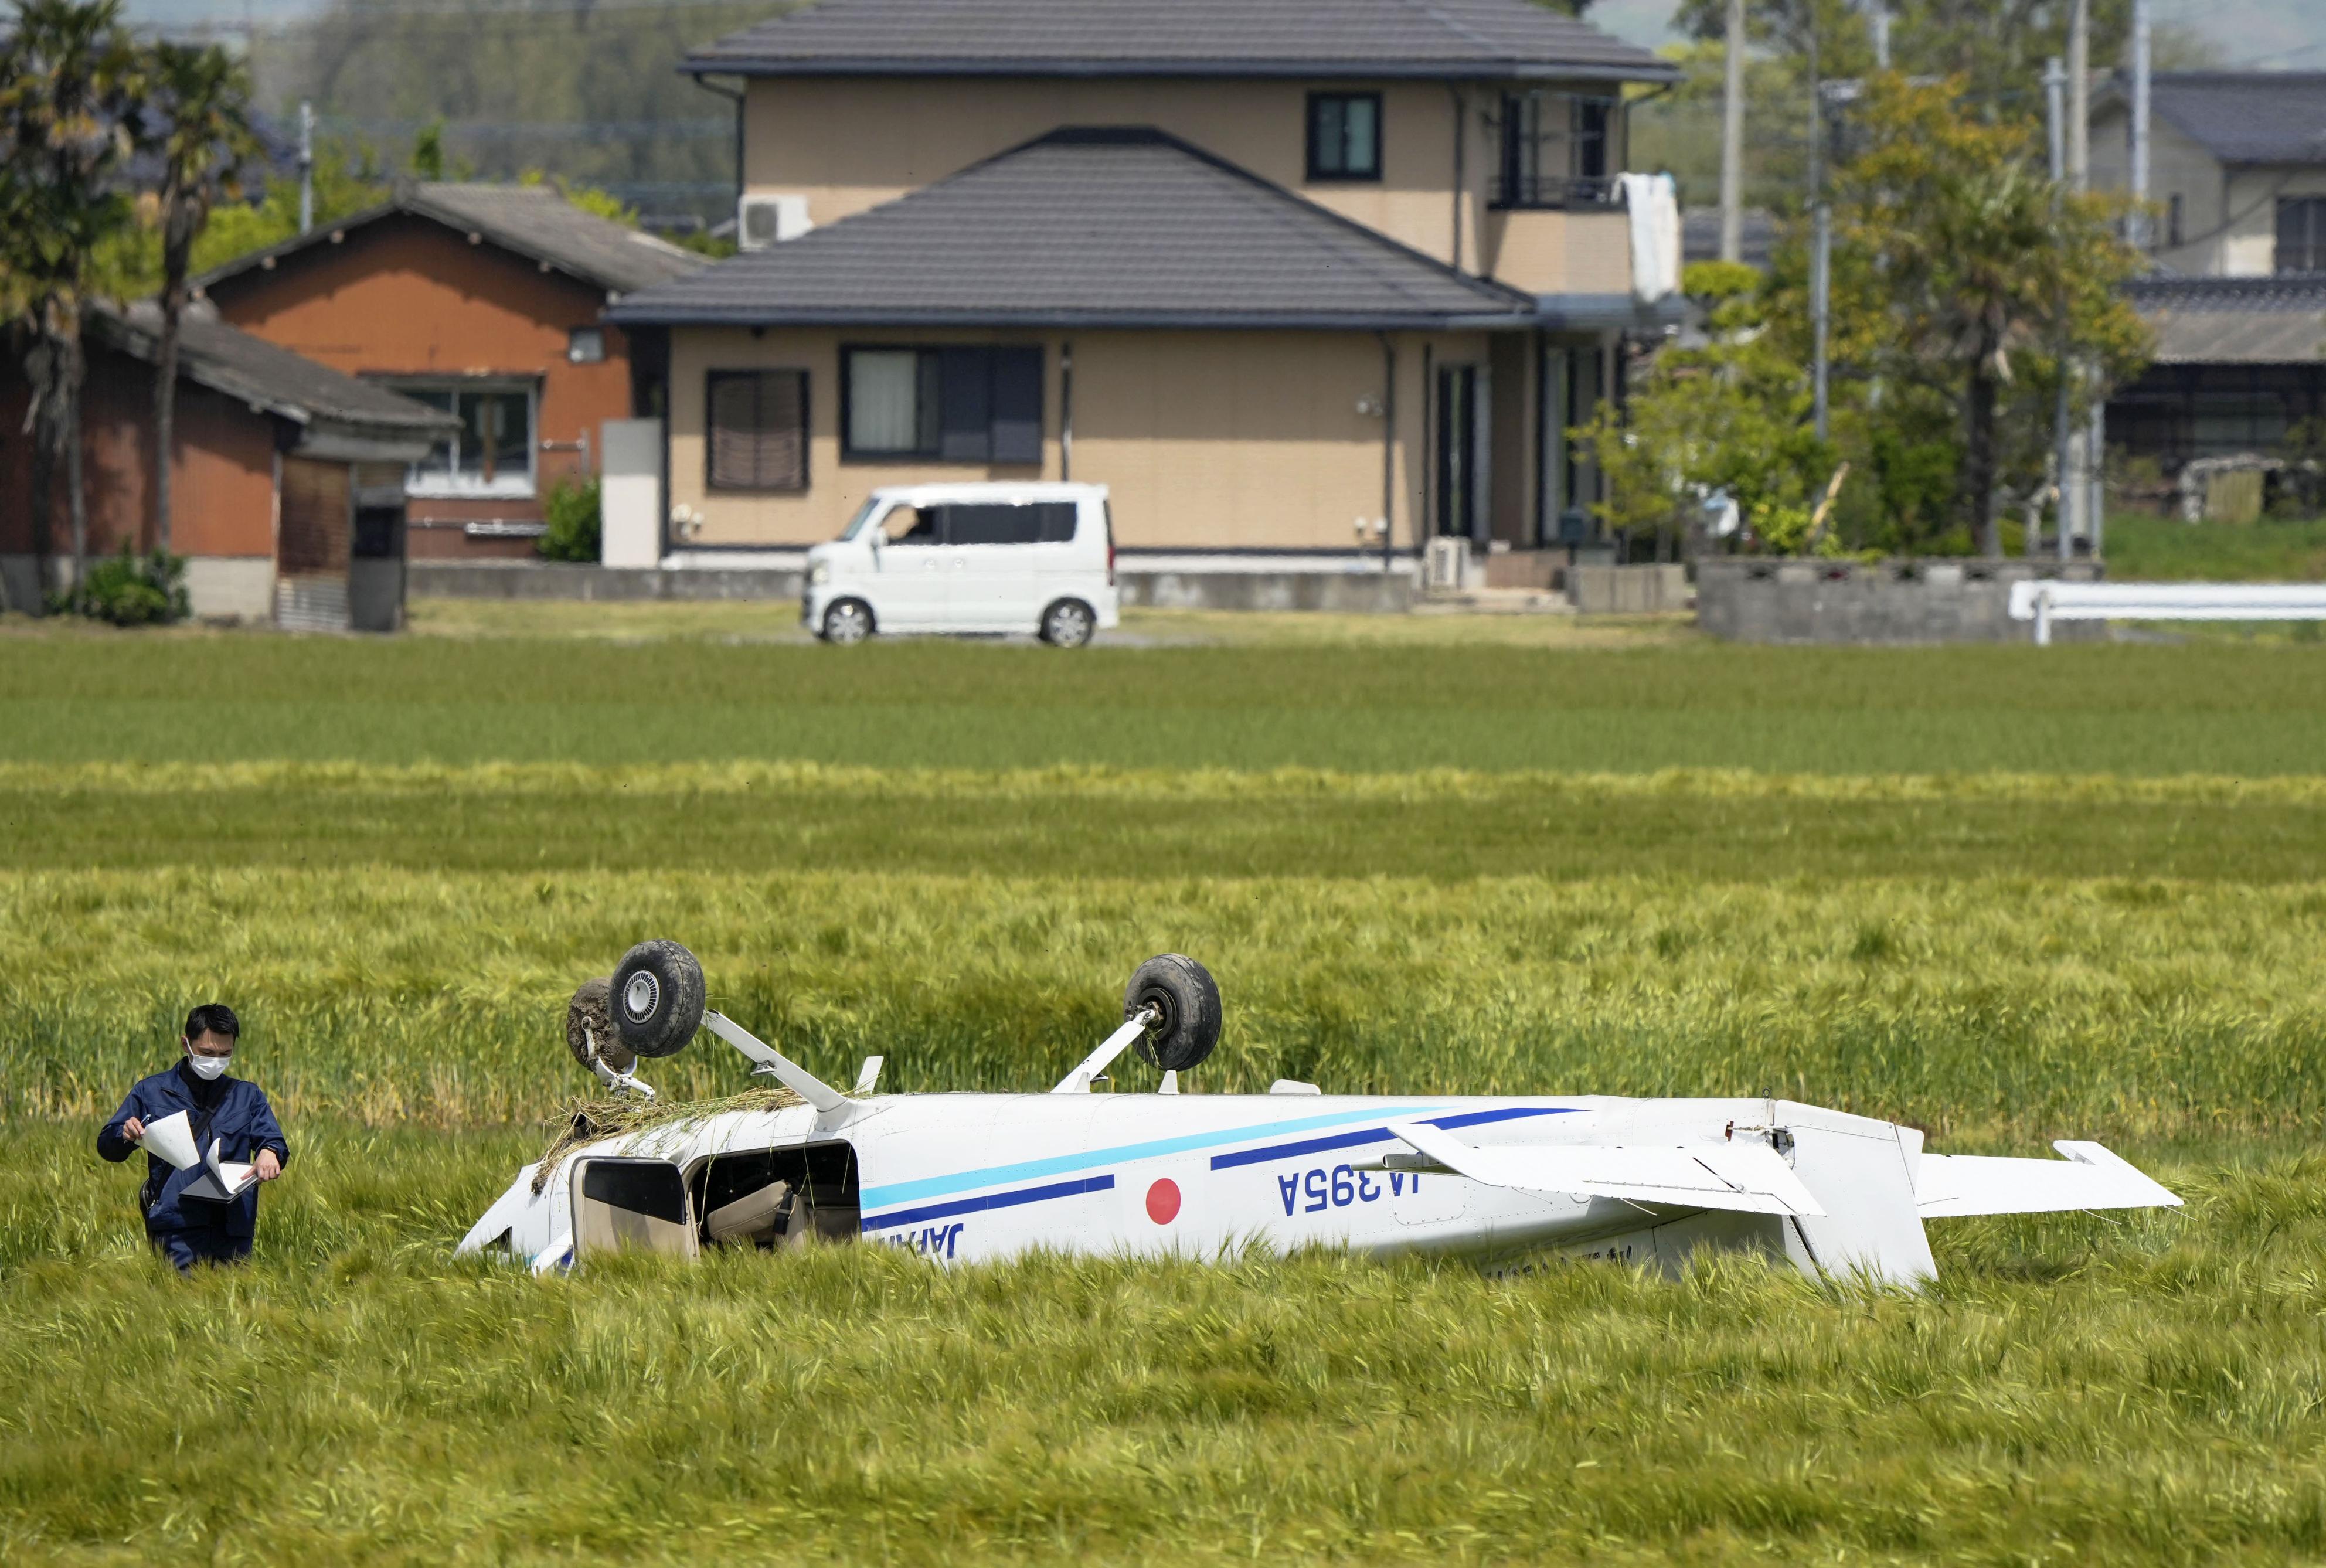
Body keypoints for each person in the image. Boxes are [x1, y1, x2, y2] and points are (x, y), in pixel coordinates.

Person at [98, 1003, 288, 1271]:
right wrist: (125, 1134)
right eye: (207, 1053)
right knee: (176, 1308)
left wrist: (269, 1152)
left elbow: (274, 1141)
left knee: (236, 1310)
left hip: (233, 1231)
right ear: (185, 1044)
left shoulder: (247, 1096)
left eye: (225, 1054)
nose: (215, 1061)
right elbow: (107, 1148)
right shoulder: (151, 1092)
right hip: (177, 1230)